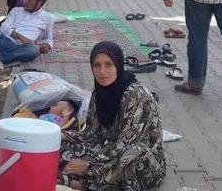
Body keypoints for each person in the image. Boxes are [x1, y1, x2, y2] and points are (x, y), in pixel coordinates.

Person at [59, 41, 165, 191]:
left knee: (133, 153)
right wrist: (63, 136)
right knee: (63, 146)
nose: (102, 71)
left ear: (118, 65)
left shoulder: (135, 95)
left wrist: (88, 166)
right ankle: (91, 180)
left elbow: (126, 144)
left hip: (143, 163)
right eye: (97, 65)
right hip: (110, 151)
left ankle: (84, 183)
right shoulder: (99, 93)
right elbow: (91, 135)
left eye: (108, 64)